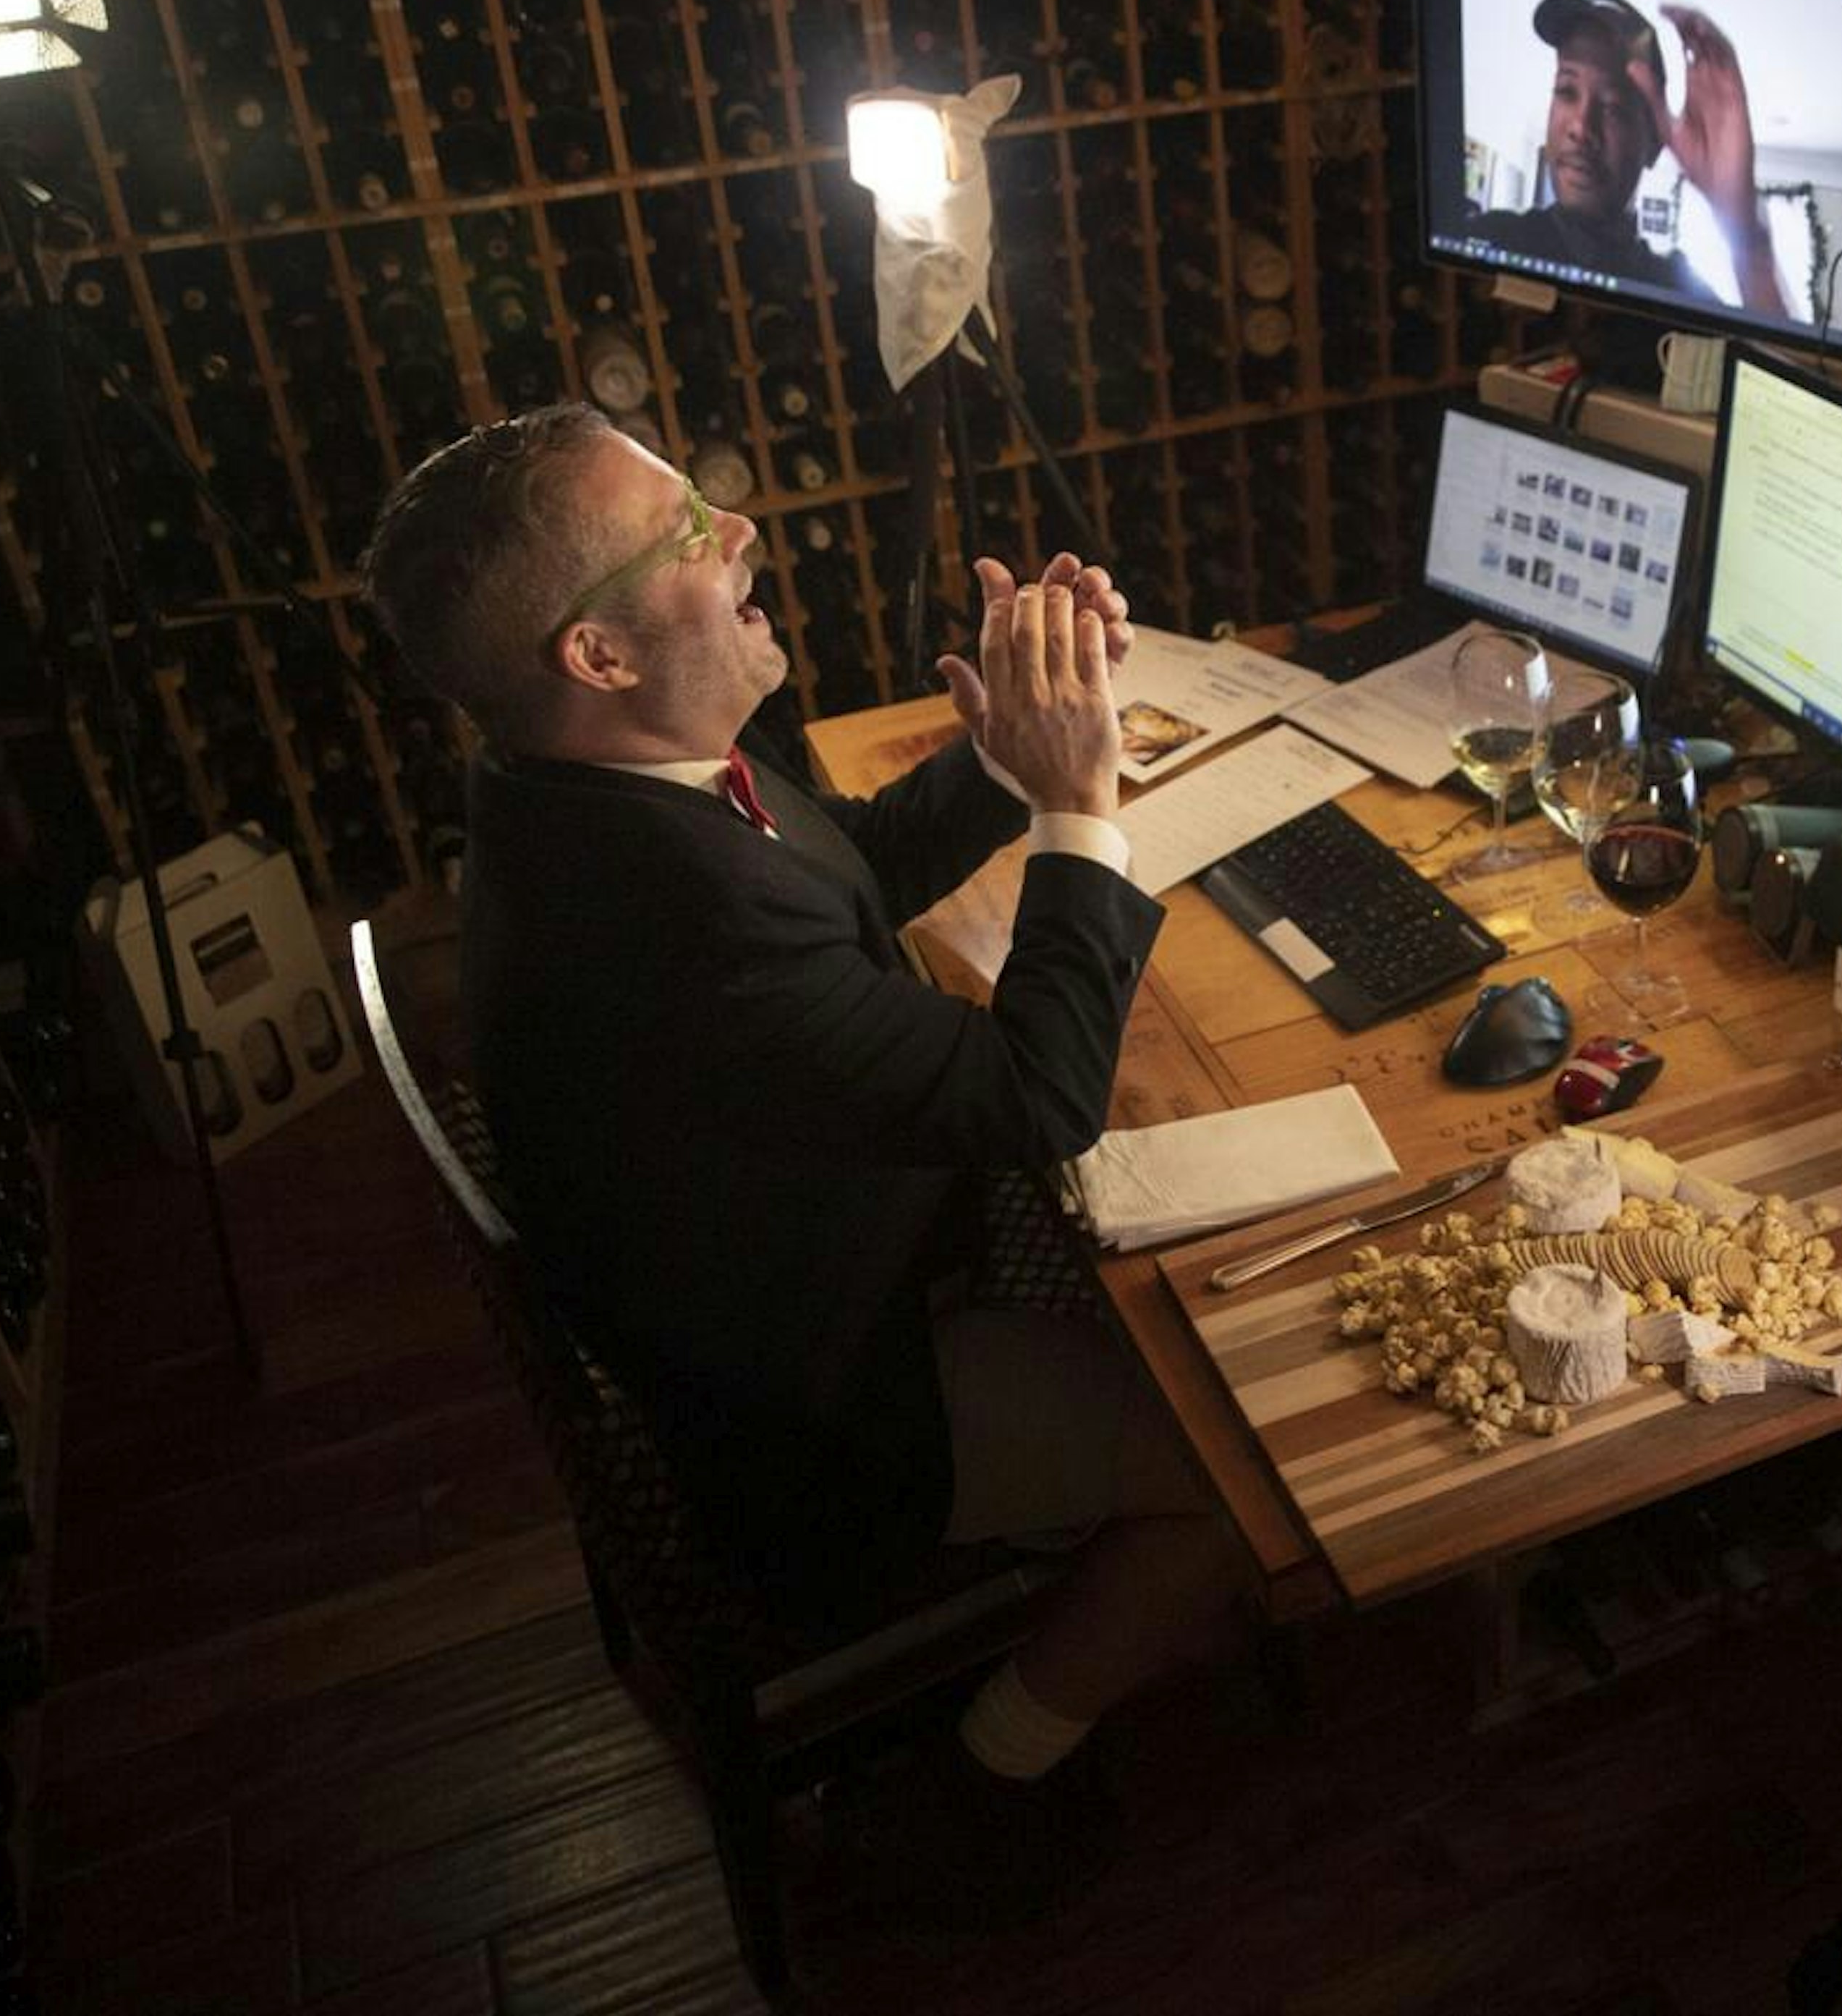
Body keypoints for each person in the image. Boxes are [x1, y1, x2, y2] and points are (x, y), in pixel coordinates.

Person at [359, 405, 1248, 1907]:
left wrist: (1012, 743)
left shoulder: (579, 787)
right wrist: (1079, 800)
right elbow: (1038, 1095)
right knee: (1243, 1483)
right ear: (599, 654)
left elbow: (845, 866)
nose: (741, 525)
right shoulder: (680, 932)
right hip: (827, 1422)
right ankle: (992, 1767)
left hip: (797, 1265)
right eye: (689, 529)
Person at [1464, 0, 1786, 313]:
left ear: (1654, 145)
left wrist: (1745, 231)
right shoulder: (1489, 239)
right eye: (1567, 91)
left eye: (1614, 107)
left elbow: (1775, 360)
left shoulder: (1677, 289)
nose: (1580, 127)